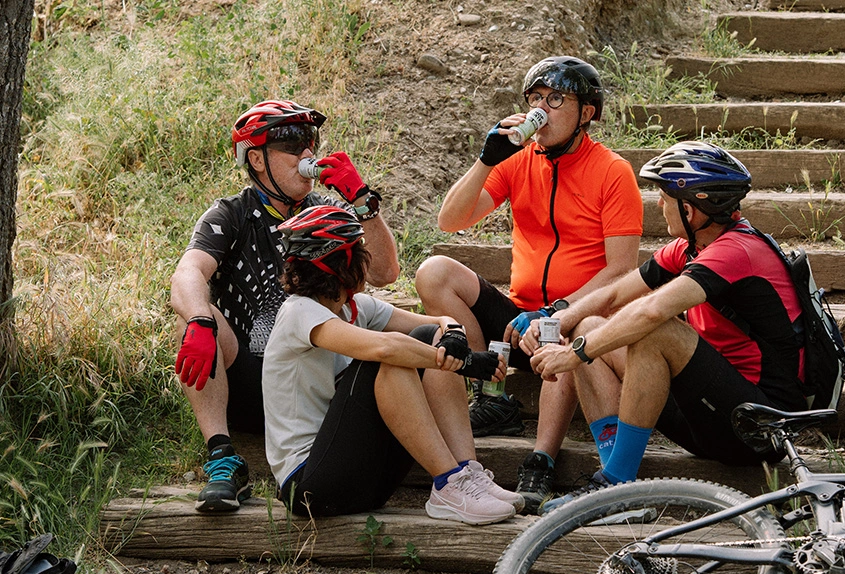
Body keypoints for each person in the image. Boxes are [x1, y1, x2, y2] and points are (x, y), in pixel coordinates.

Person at [525, 141, 810, 513]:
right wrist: (556, 319)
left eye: (664, 197)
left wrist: (573, 354)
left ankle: (617, 487)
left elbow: (651, 311)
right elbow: (614, 296)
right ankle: (613, 482)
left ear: (689, 210)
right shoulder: (690, 247)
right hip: (711, 411)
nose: (659, 205)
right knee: (589, 325)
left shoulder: (737, 251)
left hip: (761, 426)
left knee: (656, 331)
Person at [415, 56, 644, 514]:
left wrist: (557, 309)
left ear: (587, 113)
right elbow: (450, 220)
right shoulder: (519, 159)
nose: (543, 108)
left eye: (556, 99)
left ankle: (541, 457)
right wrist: (486, 161)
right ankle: (490, 393)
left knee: (557, 328)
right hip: (517, 317)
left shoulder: (612, 171)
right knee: (434, 271)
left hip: (578, 318)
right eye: (536, 98)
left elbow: (622, 269)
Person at [170, 99, 400, 512]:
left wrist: (363, 202)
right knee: (198, 318)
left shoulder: (326, 213)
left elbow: (384, 273)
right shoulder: (231, 214)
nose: (308, 154)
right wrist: (199, 321)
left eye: (311, 143)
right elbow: (188, 272)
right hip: (249, 382)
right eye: (293, 147)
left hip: (316, 387)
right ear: (256, 158)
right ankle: (222, 457)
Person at [262, 205, 522, 525]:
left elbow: (436, 324)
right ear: (340, 263)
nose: (365, 258)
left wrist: (452, 333)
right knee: (387, 359)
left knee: (427, 336)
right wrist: (464, 362)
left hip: (366, 478)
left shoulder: (354, 307)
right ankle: (448, 484)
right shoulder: (299, 311)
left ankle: (467, 472)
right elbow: (385, 348)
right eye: (358, 250)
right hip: (311, 487)